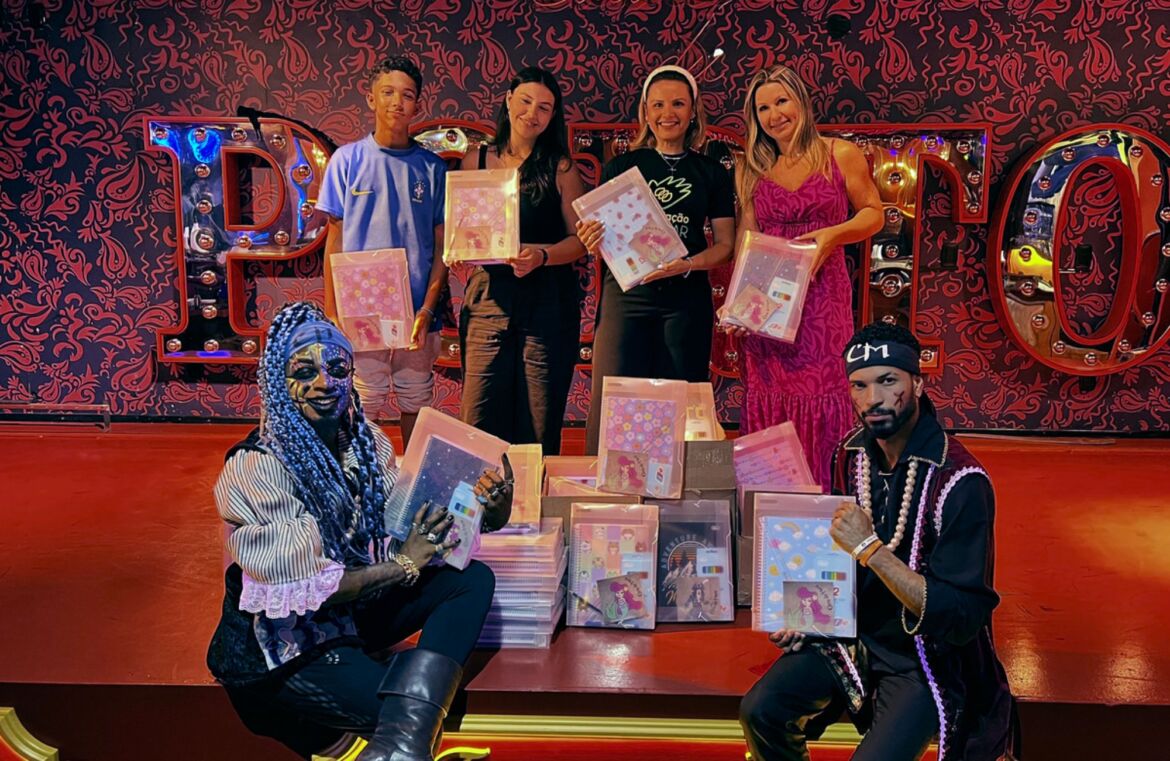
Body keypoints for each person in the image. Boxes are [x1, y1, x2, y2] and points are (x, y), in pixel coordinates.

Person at [206, 301, 513, 761]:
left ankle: (400, 745)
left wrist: (489, 509)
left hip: (352, 612)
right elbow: (311, 589)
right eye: (304, 372)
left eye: (336, 368)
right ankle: (403, 740)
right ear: (277, 382)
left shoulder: (364, 443)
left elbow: (412, 525)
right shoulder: (257, 468)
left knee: (470, 580)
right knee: (408, 711)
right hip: (288, 640)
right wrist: (403, 564)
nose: (324, 383)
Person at [740, 322, 1019, 761]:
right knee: (760, 711)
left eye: (888, 381)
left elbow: (962, 615)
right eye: (860, 385)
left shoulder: (961, 481)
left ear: (918, 384)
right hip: (854, 639)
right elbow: (836, 560)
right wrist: (808, 616)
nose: (873, 398)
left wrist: (870, 548)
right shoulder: (850, 455)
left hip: (924, 658)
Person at [724, 65, 883, 490]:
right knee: (769, 394)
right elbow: (747, 239)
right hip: (768, 304)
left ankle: (825, 500)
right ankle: (771, 502)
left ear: (802, 103)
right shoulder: (751, 167)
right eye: (762, 108)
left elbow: (874, 214)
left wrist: (833, 235)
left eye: (782, 101)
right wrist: (737, 304)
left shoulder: (840, 153)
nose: (774, 115)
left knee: (824, 392)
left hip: (823, 297)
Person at [577, 65, 737, 455]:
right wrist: (590, 238)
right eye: (659, 104)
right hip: (627, 297)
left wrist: (688, 264)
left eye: (678, 104)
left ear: (693, 111)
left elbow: (725, 245)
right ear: (646, 112)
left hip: (685, 299)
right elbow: (602, 236)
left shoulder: (711, 172)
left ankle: (680, 483)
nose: (668, 113)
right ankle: (607, 484)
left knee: (683, 399)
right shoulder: (622, 168)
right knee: (614, 397)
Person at [317, 55, 448, 446]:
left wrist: (428, 309)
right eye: (387, 92)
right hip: (361, 311)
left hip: (417, 311)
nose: (397, 102)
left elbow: (442, 247)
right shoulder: (347, 160)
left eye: (407, 95)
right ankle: (363, 475)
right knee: (363, 401)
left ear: (418, 105)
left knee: (416, 398)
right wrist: (333, 311)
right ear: (371, 98)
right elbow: (334, 241)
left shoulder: (433, 168)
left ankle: (413, 478)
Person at [458, 66, 587, 456]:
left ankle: (532, 495)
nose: (532, 113)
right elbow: (463, 229)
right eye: (526, 101)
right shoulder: (476, 160)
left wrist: (542, 256)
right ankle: (482, 497)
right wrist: (458, 249)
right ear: (508, 100)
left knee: (538, 423)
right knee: (478, 417)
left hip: (547, 303)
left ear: (553, 116)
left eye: (544, 108)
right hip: (488, 302)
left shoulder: (561, 167)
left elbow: (580, 242)